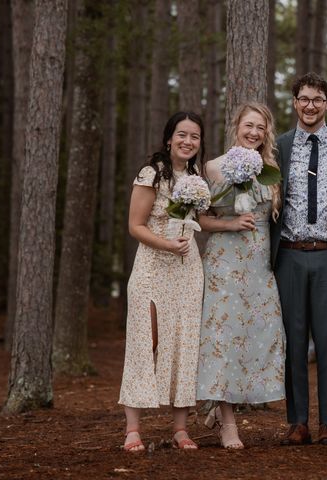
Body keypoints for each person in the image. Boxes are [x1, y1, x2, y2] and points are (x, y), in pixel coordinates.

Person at [196, 102, 285, 450]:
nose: (254, 133)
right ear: (237, 126)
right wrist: (231, 222)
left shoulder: (271, 169)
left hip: (260, 260)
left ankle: (220, 403)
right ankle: (228, 422)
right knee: (223, 337)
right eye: (249, 125)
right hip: (225, 260)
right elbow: (201, 220)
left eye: (260, 128)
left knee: (259, 334)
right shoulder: (214, 167)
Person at [270, 72, 327, 446]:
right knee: (294, 339)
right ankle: (298, 420)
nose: (310, 106)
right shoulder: (280, 147)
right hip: (290, 253)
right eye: (303, 99)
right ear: (294, 102)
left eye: (317, 99)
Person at [119, 111, 206, 452]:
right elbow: (135, 226)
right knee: (148, 341)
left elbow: (201, 222)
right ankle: (132, 429)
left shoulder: (197, 177)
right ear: (169, 138)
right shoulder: (151, 174)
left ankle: (181, 428)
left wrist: (230, 224)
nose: (188, 141)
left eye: (194, 137)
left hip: (187, 270)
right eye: (182, 135)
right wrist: (167, 244)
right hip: (153, 268)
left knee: (185, 344)